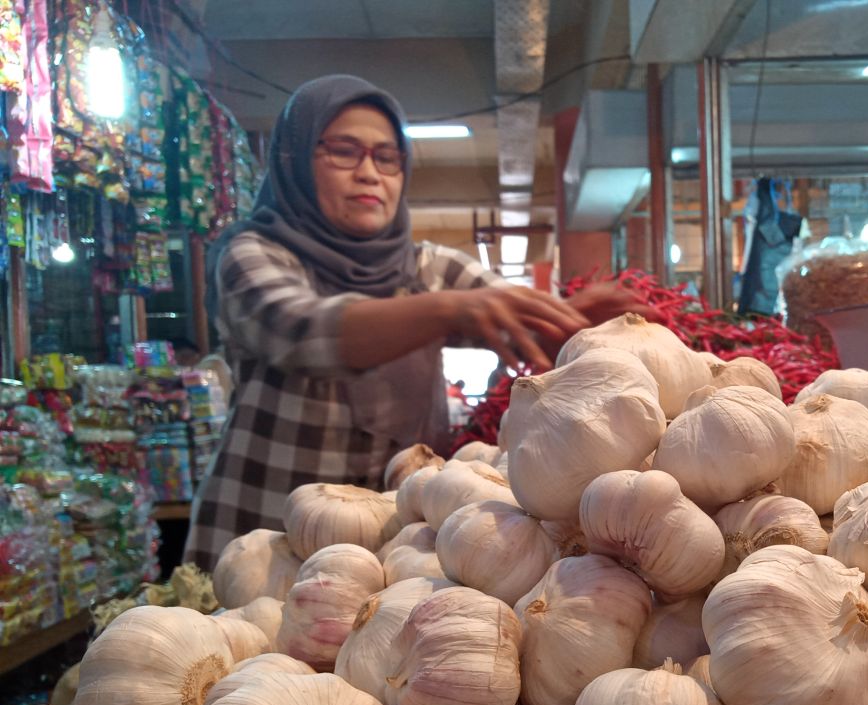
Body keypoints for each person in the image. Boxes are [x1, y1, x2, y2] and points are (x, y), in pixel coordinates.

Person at [183, 75, 655, 570]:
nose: (370, 173)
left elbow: (508, 313)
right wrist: (444, 310)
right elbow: (304, 330)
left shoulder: (426, 268)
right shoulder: (251, 253)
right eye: (344, 151)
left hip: (394, 542)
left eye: (387, 158)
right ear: (294, 161)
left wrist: (577, 316)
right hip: (267, 539)